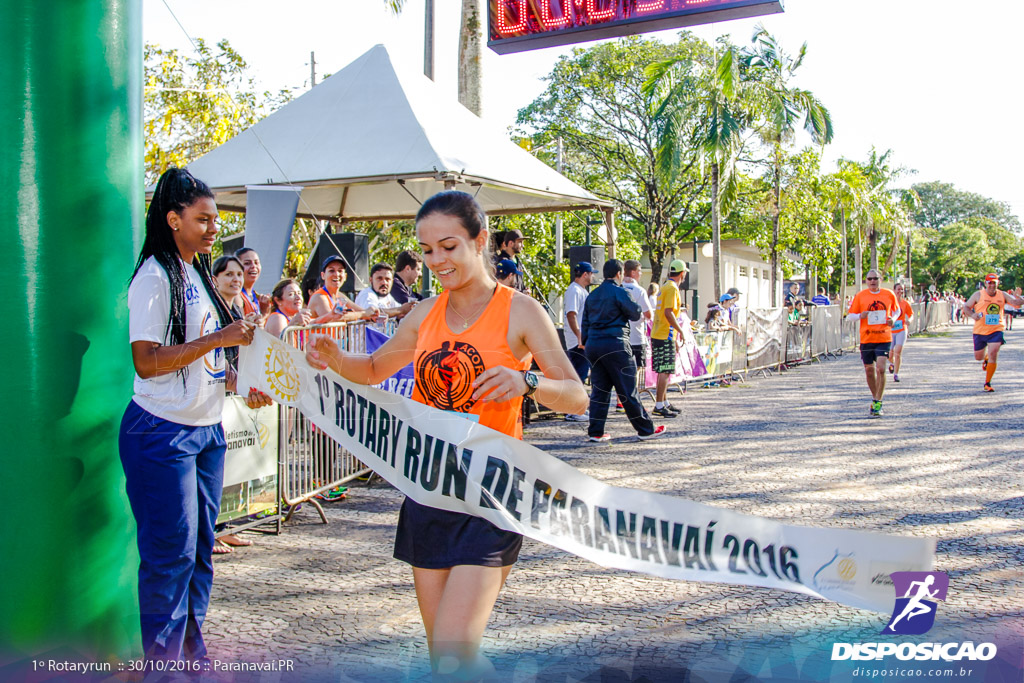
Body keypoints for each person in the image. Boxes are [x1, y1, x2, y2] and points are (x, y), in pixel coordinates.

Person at [305, 190, 587, 678]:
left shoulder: (521, 311)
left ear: (480, 242)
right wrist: (335, 361)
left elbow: (578, 396)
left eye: (449, 246)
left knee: (455, 654)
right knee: (448, 660)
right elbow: (373, 368)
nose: (437, 260)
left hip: (492, 494)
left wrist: (528, 382)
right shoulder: (422, 314)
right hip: (429, 491)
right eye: (428, 249)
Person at [120, 167, 271, 662]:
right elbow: (147, 360)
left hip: (206, 432)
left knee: (201, 551)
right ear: (172, 219)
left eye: (215, 220)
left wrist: (240, 383)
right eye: (202, 219)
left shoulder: (197, 274)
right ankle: (161, 666)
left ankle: (190, 656)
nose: (213, 228)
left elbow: (205, 360)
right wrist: (221, 339)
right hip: (160, 433)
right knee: (171, 556)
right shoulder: (153, 276)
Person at [581, 259, 666, 443]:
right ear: (619, 274)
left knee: (599, 390)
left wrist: (587, 342)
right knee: (628, 390)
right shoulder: (621, 292)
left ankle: (595, 431)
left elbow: (585, 323)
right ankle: (645, 429)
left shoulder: (592, 296)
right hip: (616, 344)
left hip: (594, 346)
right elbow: (636, 313)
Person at [846, 269, 899, 417]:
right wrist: (859, 316)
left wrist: (893, 320)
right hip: (867, 338)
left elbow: (897, 310)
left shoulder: (889, 294)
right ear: (866, 281)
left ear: (880, 279)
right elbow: (849, 316)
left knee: (881, 369)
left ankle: (877, 401)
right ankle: (875, 396)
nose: (872, 281)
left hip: (884, 337)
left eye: (875, 278)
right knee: (869, 371)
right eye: (869, 279)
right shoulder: (860, 296)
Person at [961, 273, 1024, 392]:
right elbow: (966, 307)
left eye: (994, 283)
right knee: (978, 357)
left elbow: (1017, 304)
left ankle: (987, 383)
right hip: (980, 330)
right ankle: (985, 357)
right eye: (989, 283)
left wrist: (1018, 297)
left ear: (997, 283)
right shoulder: (978, 295)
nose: (992, 285)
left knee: (994, 352)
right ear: (985, 283)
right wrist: (973, 315)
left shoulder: (1003, 294)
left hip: (996, 329)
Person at [650, 260, 688, 418]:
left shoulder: (665, 286)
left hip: (658, 332)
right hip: (666, 333)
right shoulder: (672, 288)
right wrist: (680, 330)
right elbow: (668, 312)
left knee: (663, 370)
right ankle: (659, 405)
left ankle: (664, 402)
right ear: (682, 273)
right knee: (665, 371)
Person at [562, 261, 594, 422]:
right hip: (577, 340)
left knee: (579, 374)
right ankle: (573, 409)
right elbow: (571, 314)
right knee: (578, 376)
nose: (593, 276)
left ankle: (576, 408)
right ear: (585, 274)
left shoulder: (579, 290)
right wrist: (579, 336)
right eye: (591, 273)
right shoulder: (574, 290)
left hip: (580, 338)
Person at [307, 255, 379, 323]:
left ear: (345, 276)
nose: (336, 274)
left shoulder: (339, 296)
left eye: (340, 271)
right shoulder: (319, 297)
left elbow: (364, 311)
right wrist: (363, 314)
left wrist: (373, 311)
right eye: (332, 271)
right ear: (323, 275)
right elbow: (334, 319)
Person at [235, 247, 271, 318]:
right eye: (247, 263)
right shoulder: (236, 296)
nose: (253, 266)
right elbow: (242, 327)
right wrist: (263, 314)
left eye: (256, 263)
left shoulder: (255, 296)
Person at [889, 282, 914, 382]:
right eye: (898, 289)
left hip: (901, 329)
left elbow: (911, 314)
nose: (900, 291)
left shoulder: (905, 303)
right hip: (890, 331)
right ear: (894, 290)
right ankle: (892, 363)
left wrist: (909, 320)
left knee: (898, 351)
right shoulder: (889, 303)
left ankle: (896, 374)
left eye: (902, 289)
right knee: (889, 355)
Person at [493, 228, 529, 293]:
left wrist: (525, 290)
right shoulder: (501, 262)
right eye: (520, 242)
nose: (522, 245)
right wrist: (521, 293)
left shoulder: (518, 261)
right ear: (511, 243)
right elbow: (502, 285)